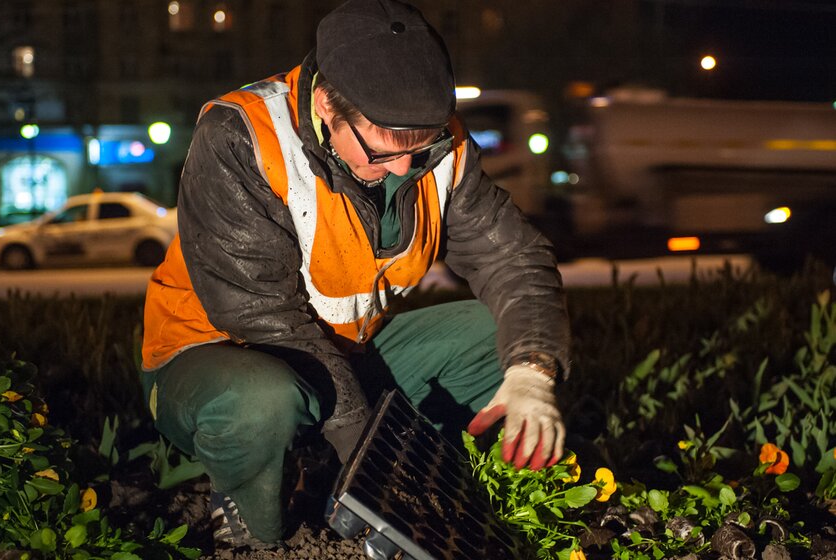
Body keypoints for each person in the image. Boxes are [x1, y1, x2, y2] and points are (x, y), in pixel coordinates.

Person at [140, 0, 571, 551]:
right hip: (217, 360)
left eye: (422, 149)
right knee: (262, 400)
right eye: (382, 150)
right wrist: (373, 462)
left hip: (347, 356)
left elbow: (514, 260)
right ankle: (254, 512)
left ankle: (390, 470)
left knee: (501, 339)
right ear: (326, 104)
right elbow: (262, 317)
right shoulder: (241, 135)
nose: (404, 170)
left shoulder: (436, 145)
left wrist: (532, 374)